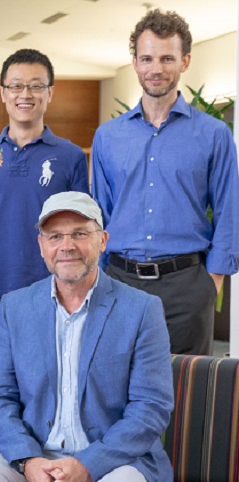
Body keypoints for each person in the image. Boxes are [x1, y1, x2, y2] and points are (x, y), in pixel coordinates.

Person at [0, 191, 174, 482]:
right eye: (55, 236)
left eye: (80, 234)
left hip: (116, 460)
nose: (67, 246)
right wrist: (28, 459)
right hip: (29, 456)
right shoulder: (15, 307)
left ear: (103, 240)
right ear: (41, 245)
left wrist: (88, 464)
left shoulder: (142, 309)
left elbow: (150, 408)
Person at [91, 9, 239, 355]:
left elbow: (229, 211)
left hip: (187, 285)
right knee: (118, 390)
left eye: (166, 58)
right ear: (135, 62)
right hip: (119, 282)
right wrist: (98, 278)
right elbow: (99, 215)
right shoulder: (108, 137)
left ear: (185, 61)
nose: (155, 69)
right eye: (147, 58)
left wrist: (210, 283)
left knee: (188, 390)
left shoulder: (214, 134)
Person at [0, 49, 89, 346]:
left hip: (51, 292)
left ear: (50, 93)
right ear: (3, 93)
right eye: (16, 85)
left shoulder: (71, 157)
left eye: (36, 85)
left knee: (45, 388)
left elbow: (81, 232)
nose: (25, 94)